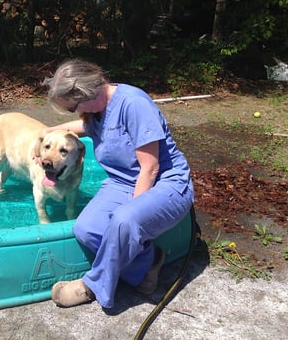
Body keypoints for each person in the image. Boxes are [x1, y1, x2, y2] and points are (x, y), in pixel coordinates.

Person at [41, 59, 194, 310]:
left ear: (85, 93)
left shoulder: (133, 104)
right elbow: (83, 126)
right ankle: (149, 261)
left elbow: (150, 167)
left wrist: (132, 215)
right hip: (122, 182)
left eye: (71, 107)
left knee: (124, 220)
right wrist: (48, 132)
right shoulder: (95, 111)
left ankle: (92, 286)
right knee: (85, 228)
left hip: (166, 182)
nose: (72, 113)